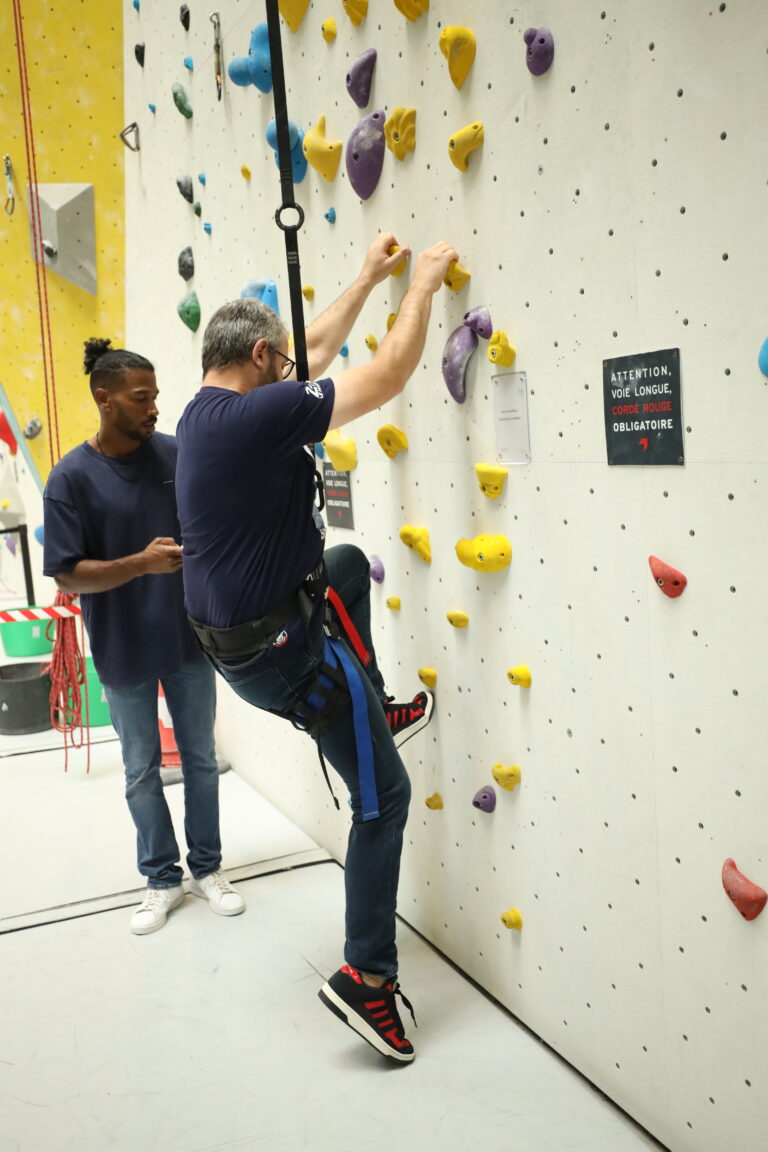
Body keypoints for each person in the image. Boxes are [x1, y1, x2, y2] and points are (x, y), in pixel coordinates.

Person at [175, 233, 458, 1062]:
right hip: (287, 659)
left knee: (343, 566)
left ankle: (376, 702)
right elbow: (386, 375)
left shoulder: (209, 411)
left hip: (240, 641)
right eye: (280, 362)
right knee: (385, 800)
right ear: (260, 358)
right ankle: (367, 978)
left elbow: (314, 351)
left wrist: (368, 277)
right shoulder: (255, 419)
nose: (291, 368)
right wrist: (423, 284)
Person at [42, 338, 245, 935]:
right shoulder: (69, 478)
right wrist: (140, 564)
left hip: (189, 641)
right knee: (139, 770)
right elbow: (67, 574)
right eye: (141, 398)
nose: (154, 407)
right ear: (104, 400)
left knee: (201, 760)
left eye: (155, 396)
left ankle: (207, 869)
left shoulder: (178, 455)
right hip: (122, 645)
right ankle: (161, 878)